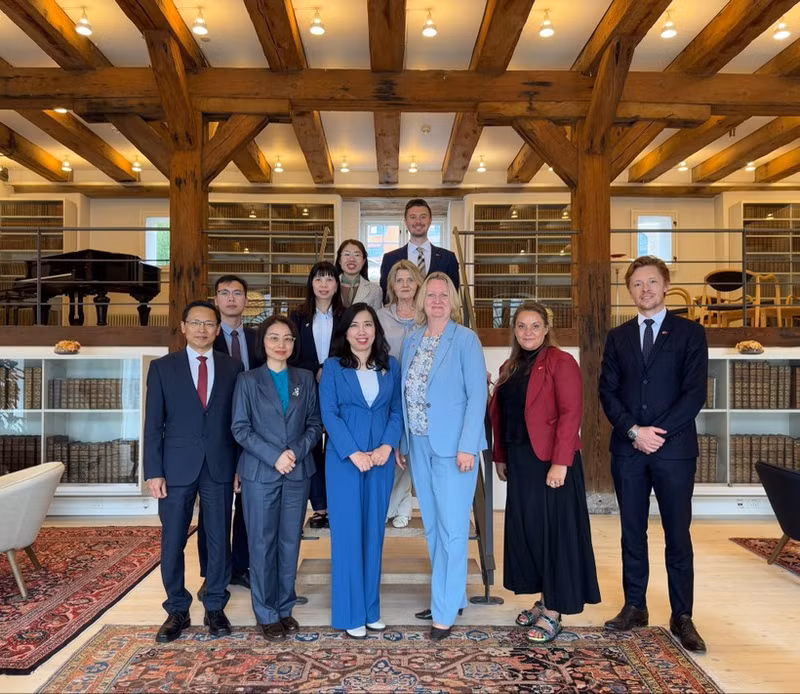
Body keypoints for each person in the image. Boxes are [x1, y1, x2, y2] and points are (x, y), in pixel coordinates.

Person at [599, 255, 709, 653]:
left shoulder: (690, 334)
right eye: (636, 284)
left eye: (651, 282)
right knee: (632, 532)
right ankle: (635, 606)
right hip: (628, 451)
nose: (644, 290)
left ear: (665, 285)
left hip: (673, 451)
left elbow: (694, 393)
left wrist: (656, 434)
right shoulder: (618, 336)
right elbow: (606, 391)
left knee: (677, 535)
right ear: (629, 291)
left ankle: (682, 616)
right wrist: (633, 431)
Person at [489, 301, 600, 643]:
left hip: (551, 463)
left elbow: (570, 414)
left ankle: (554, 610)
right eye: (522, 326)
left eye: (535, 326)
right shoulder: (510, 366)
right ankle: (542, 600)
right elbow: (504, 416)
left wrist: (560, 461)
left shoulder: (561, 362)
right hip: (521, 463)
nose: (528, 332)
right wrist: (501, 456)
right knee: (532, 533)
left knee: (556, 535)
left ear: (547, 329)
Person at [144, 300, 243, 643]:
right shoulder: (162, 368)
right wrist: (153, 471)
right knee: (172, 540)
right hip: (174, 468)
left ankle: (215, 604)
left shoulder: (233, 368)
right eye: (196, 322)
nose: (202, 329)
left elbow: (237, 424)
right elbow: (153, 424)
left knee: (218, 537)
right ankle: (177, 609)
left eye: (209, 324)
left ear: (218, 329)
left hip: (219, 464)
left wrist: (238, 467)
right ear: (183, 327)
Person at [399, 272, 487, 640]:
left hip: (454, 449)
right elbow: (406, 394)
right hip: (419, 444)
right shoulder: (412, 338)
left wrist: (468, 445)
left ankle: (444, 611)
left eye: (443, 295)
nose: (436, 301)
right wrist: (404, 442)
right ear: (421, 300)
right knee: (433, 527)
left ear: (452, 300)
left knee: (452, 531)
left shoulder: (465, 340)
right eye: (430, 294)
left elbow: (477, 396)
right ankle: (450, 595)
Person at [231, 315, 322, 641]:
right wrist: (274, 455)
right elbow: (240, 428)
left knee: (289, 542)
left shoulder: (306, 378)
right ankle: (266, 612)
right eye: (274, 338)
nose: (281, 344)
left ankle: (284, 607)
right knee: (261, 542)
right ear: (263, 343)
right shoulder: (248, 380)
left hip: (298, 471)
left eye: (287, 338)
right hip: (260, 473)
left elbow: (314, 424)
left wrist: (294, 452)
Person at [319, 302, 403, 639]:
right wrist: (354, 452)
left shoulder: (390, 366)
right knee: (348, 536)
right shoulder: (333, 368)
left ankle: (370, 609)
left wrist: (386, 446)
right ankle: (350, 612)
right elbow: (329, 414)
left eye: (368, 325)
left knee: (373, 535)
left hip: (380, 461)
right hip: (345, 462)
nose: (362, 331)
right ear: (345, 332)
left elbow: (397, 411)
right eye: (354, 325)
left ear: (376, 331)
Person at [196, 274, 264, 595]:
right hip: (217, 433)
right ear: (216, 299)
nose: (232, 298)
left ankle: (240, 567)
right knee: (215, 506)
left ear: (246, 300)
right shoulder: (205, 338)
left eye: (238, 293)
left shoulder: (257, 337)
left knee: (248, 505)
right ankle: (213, 572)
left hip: (252, 431)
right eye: (225, 293)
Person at [289, 261, 343, 529]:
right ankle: (320, 507)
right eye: (319, 279)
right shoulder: (297, 316)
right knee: (311, 448)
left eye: (329, 279)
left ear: (337, 284)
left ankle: (338, 503)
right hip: (306, 389)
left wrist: (329, 370)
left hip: (338, 391)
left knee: (335, 446)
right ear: (311, 283)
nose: (324, 285)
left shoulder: (345, 315)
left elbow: (351, 351)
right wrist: (315, 371)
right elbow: (291, 354)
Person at [377, 259, 424, 529]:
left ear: (418, 283)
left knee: (409, 450)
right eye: (399, 280)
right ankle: (389, 504)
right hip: (390, 390)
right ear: (392, 285)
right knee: (392, 447)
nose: (405, 285)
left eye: (409, 279)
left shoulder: (427, 313)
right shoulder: (381, 316)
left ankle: (403, 506)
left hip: (420, 395)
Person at [379, 198, 459, 301]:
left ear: (430, 221)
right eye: (412, 217)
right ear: (406, 222)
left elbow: (452, 295)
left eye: (423, 217)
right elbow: (387, 296)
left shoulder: (448, 258)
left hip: (437, 315)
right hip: (401, 316)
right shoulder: (390, 259)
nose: (418, 221)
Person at [336, 239, 383, 310]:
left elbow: (376, 319)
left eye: (357, 255)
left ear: (363, 261)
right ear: (339, 260)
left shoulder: (375, 290)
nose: (351, 259)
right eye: (347, 254)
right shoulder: (329, 287)